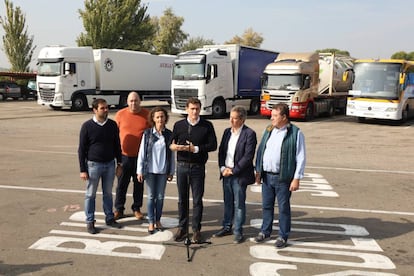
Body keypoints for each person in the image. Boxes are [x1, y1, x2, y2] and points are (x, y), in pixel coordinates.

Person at [254, 103, 306, 248]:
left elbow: (300, 157)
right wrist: (258, 171)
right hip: (267, 177)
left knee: (283, 208)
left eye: (275, 115)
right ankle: (265, 231)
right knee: (266, 206)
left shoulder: (295, 133)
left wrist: (296, 178)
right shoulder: (269, 130)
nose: (272, 118)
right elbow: (261, 151)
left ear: (284, 117)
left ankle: (283, 236)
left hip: (283, 178)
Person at [170, 97, 217, 243]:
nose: (194, 112)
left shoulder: (207, 125)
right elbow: (171, 142)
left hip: (198, 167)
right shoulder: (179, 125)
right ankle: (182, 228)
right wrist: (174, 147)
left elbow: (213, 145)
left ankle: (196, 230)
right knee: (182, 199)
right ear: (186, 109)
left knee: (197, 200)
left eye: (197, 109)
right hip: (182, 166)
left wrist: (195, 149)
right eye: (192, 109)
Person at [78, 98, 123, 234]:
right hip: (93, 165)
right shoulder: (87, 126)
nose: (106, 110)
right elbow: (81, 149)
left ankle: (109, 217)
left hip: (110, 164)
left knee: (108, 193)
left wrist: (119, 163)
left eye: (106, 107)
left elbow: (117, 145)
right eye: (102, 108)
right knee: (90, 194)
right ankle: (90, 221)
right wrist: (83, 170)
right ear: (95, 110)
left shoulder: (112, 125)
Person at [213, 106, 257, 243]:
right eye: (230, 117)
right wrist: (222, 168)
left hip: (239, 174)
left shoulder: (249, 133)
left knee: (239, 204)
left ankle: (238, 231)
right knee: (227, 203)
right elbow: (221, 152)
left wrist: (233, 170)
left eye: (235, 118)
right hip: (226, 173)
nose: (231, 120)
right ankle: (226, 227)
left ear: (242, 119)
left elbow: (248, 156)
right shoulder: (227, 132)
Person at [136, 107, 175, 234]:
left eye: (162, 117)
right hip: (150, 171)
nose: (160, 119)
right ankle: (151, 222)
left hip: (163, 171)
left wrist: (171, 171)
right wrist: (139, 170)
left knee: (160, 197)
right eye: (157, 117)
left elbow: (172, 155)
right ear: (153, 118)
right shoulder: (147, 134)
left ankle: (158, 220)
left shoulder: (169, 134)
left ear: (165, 118)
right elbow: (142, 152)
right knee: (151, 197)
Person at [114, 91, 150, 220]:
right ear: (127, 102)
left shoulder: (147, 115)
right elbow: (114, 135)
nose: (133, 103)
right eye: (131, 101)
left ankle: (137, 208)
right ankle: (119, 209)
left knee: (138, 184)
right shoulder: (120, 114)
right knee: (121, 184)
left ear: (140, 101)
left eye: (136, 100)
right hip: (124, 156)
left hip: (140, 157)